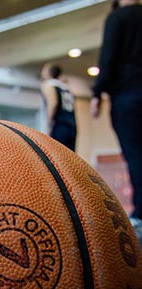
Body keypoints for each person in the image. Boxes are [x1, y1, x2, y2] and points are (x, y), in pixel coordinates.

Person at [91, 0, 142, 226]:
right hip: (129, 92)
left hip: (128, 95)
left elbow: (108, 59)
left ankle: (140, 213)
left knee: (136, 155)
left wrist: (97, 92)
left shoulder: (118, 18)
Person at [40, 63, 77, 151]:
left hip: (59, 125)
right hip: (72, 125)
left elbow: (53, 103)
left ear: (48, 72)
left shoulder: (48, 85)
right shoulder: (66, 87)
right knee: (69, 157)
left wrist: (48, 124)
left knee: (56, 156)